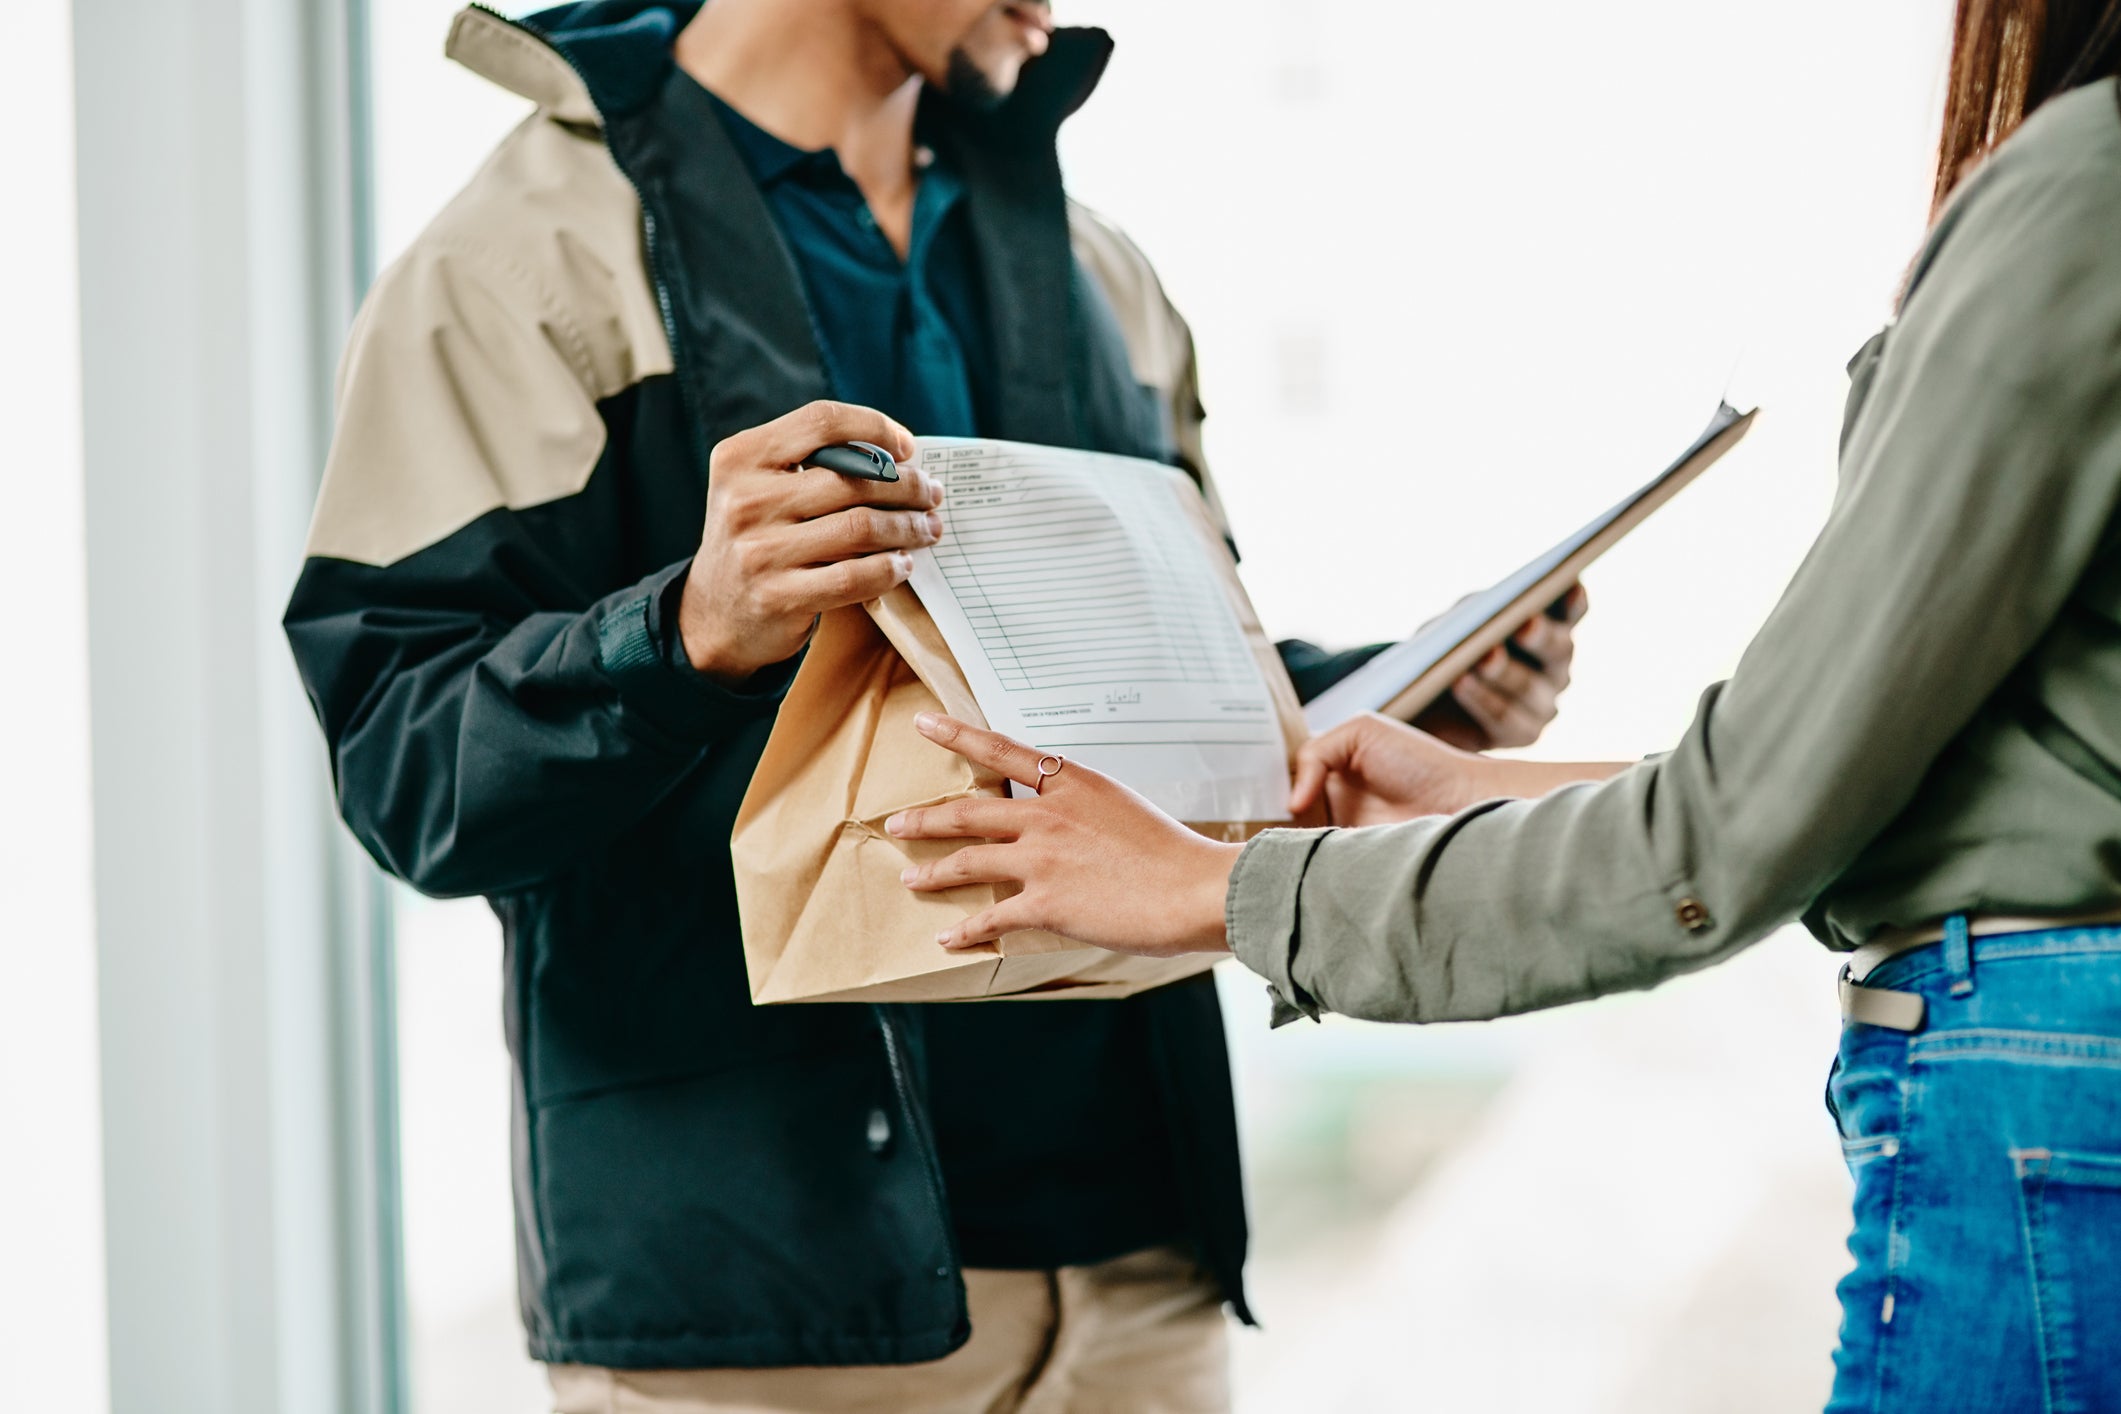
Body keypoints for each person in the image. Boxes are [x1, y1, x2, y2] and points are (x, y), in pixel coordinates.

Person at [283, 1, 1580, 1408]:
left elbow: (1165, 688)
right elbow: (406, 770)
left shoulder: (1095, 269)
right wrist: (689, 631)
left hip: (1139, 1274)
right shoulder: (515, 270)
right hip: (764, 1320)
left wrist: (1400, 698)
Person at [890, 3, 2121, 1409]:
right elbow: (1961, 779)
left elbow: (1720, 846)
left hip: (2045, 1097)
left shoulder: (2078, 186)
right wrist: (1481, 793)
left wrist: (1210, 886)